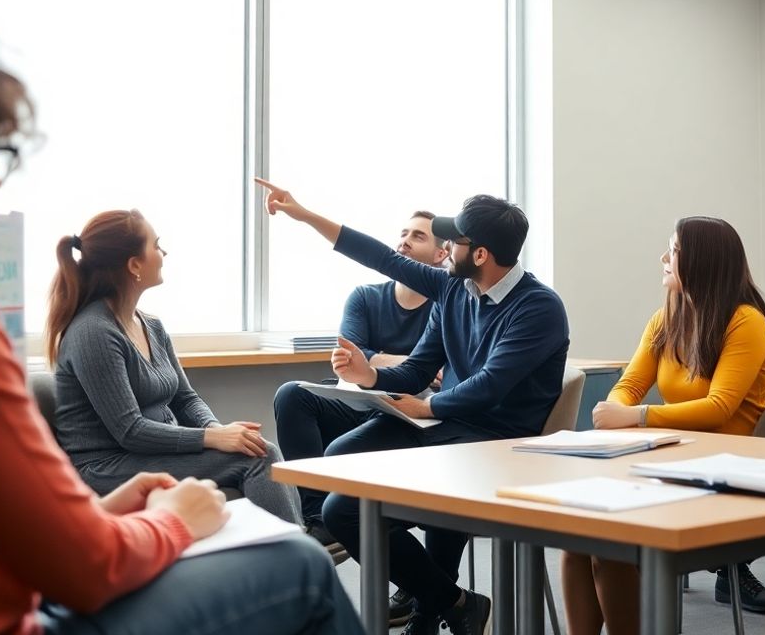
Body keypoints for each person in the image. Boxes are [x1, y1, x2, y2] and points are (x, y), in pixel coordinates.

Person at [0, 20, 360, 635]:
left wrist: (103, 516)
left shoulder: (144, 324)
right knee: (300, 565)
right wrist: (174, 519)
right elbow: (84, 567)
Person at [258, 178, 570, 635]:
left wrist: (427, 408)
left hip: (497, 441)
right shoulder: (455, 290)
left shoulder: (539, 308)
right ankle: (452, 602)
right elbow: (417, 365)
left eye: (455, 241)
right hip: (447, 424)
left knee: (344, 510)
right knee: (339, 463)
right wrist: (370, 377)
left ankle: (427, 609)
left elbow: (490, 386)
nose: (446, 248)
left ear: (479, 255)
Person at [560, 217, 765, 634]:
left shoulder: (745, 320)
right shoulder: (666, 319)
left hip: (725, 468)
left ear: (703, 261)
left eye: (674, 250)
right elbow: (630, 384)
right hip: (671, 457)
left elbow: (719, 407)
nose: (664, 257)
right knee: (578, 537)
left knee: (611, 548)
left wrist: (638, 416)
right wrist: (615, 407)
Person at [45, 209, 302, 528]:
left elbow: (185, 398)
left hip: (145, 454)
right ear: (134, 265)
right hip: (106, 466)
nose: (163, 254)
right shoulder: (93, 333)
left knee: (257, 447)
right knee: (260, 459)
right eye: (156, 245)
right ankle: (299, 562)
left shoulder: (151, 325)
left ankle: (293, 553)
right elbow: (130, 431)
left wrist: (221, 431)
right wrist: (211, 438)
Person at [273, 210, 448, 620]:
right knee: (293, 395)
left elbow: (439, 371)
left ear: (441, 255)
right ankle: (319, 518)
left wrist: (382, 363)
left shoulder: (447, 301)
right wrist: (404, 362)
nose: (404, 241)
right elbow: (353, 355)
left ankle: (418, 587)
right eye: (402, 232)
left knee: (378, 466)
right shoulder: (367, 297)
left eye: (417, 236)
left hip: (414, 418)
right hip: (360, 407)